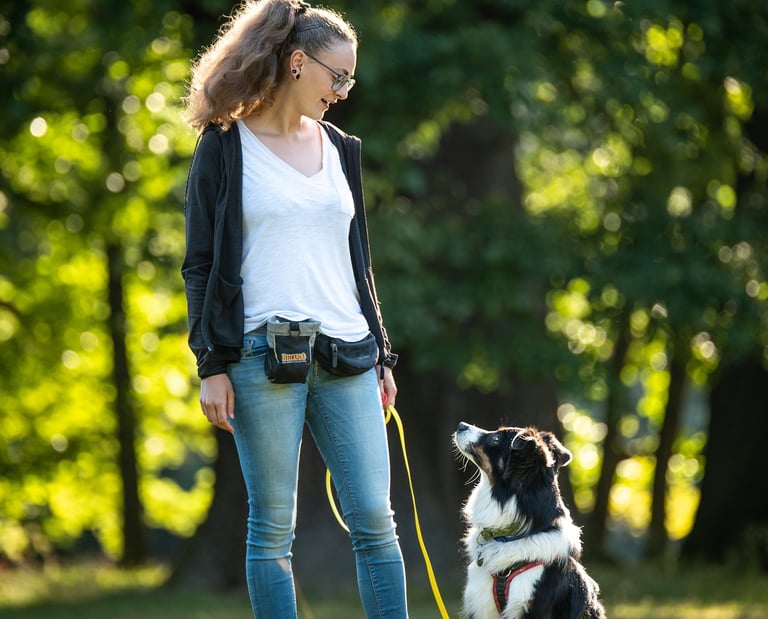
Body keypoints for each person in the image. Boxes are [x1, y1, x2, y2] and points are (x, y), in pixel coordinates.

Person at [181, 0, 408, 617]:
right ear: (298, 62)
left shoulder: (342, 149)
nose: (343, 91)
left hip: (350, 355)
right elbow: (199, 264)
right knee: (272, 531)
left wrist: (382, 354)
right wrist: (211, 364)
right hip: (260, 356)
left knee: (375, 523)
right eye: (337, 77)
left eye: (350, 80)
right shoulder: (224, 146)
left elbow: (357, 261)